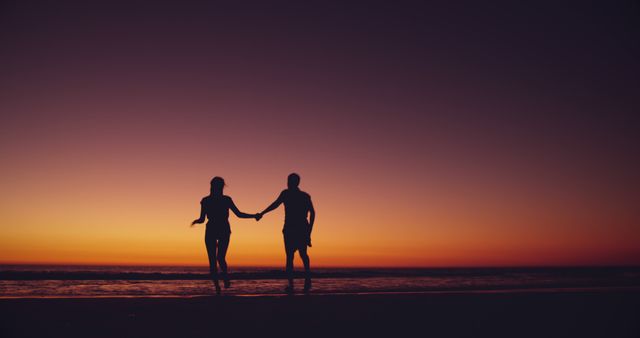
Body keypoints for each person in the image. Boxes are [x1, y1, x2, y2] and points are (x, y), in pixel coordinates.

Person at [191, 177, 259, 294]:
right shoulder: (220, 200)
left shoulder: (209, 200)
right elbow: (239, 214)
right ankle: (222, 282)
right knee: (219, 258)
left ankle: (219, 286)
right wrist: (254, 216)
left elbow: (202, 219)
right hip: (220, 229)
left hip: (216, 229)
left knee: (214, 259)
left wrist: (196, 221)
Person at [258, 173, 315, 293]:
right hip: (292, 228)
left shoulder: (301, 196)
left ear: (295, 182)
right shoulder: (291, 194)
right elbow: (275, 204)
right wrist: (263, 212)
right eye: (288, 181)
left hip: (297, 228)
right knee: (294, 255)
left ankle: (303, 280)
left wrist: (309, 231)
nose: (288, 183)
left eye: (290, 181)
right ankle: (296, 281)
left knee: (299, 255)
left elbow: (313, 213)